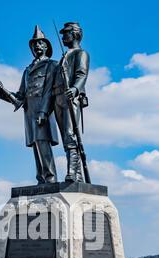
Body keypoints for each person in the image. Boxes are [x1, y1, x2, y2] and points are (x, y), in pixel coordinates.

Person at [0, 26, 58, 184]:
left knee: (43, 144)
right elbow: (20, 96)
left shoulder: (52, 65)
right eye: (34, 44)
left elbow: (50, 91)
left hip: (43, 108)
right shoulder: (27, 70)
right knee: (36, 146)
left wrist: (43, 112)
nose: (37, 46)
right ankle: (41, 179)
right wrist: (2, 91)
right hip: (29, 111)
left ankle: (50, 179)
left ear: (46, 46)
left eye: (40, 43)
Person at [53, 22, 90, 182]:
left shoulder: (81, 54)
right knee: (66, 137)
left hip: (70, 97)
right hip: (58, 97)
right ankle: (78, 176)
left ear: (75, 34)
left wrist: (75, 89)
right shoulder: (64, 56)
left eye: (66, 33)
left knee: (70, 135)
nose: (63, 37)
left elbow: (82, 74)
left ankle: (71, 173)